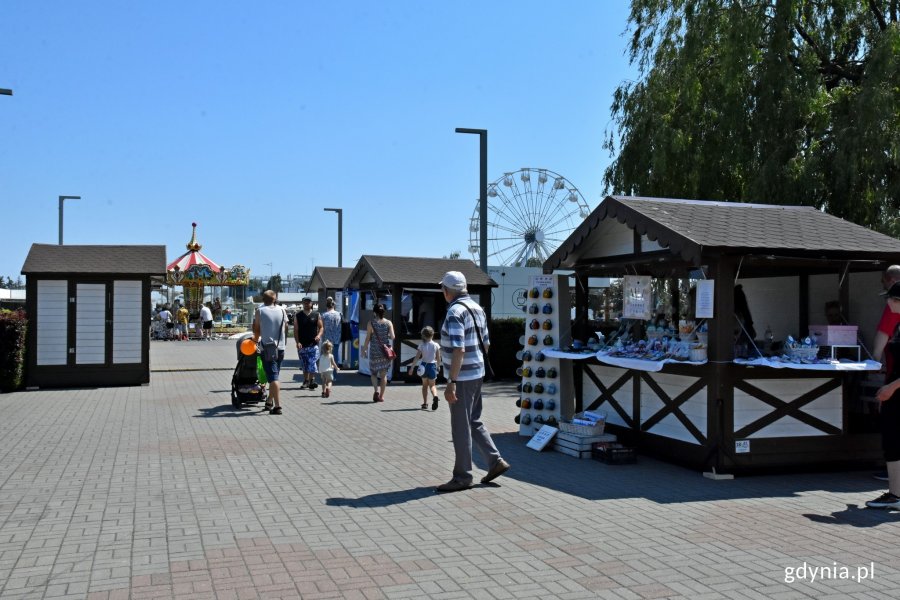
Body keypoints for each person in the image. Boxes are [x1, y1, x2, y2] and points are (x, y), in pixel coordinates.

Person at [436, 271, 510, 493]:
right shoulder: (478, 309)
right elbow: (485, 344)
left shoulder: (454, 312)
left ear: (447, 291)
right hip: (477, 372)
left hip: (462, 376)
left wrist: (451, 381)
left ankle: (462, 476)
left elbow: (459, 348)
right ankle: (495, 461)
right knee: (474, 420)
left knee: (460, 427)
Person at [866, 282, 900, 509]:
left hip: (897, 391)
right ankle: (895, 494)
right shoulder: (898, 326)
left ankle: (896, 496)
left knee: (895, 441)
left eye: (893, 299)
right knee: (893, 442)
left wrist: (892, 387)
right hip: (894, 393)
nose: (888, 302)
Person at [252, 290, 288, 415]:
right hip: (281, 347)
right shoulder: (282, 310)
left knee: (273, 378)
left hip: (267, 348)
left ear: (263, 299)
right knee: (275, 375)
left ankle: (277, 406)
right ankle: (269, 401)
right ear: (275, 298)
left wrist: (255, 342)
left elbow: (256, 330)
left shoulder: (260, 311)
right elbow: (285, 327)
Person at [362, 302, 395, 402]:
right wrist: (386, 336)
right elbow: (393, 337)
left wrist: (364, 349)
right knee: (384, 375)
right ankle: (381, 396)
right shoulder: (388, 323)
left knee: (373, 373)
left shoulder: (371, 323)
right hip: (385, 353)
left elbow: (368, 338)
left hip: (374, 351)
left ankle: (376, 390)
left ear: (374, 312)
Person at [408, 326, 442, 410]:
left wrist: (412, 367)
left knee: (424, 386)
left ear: (423, 335)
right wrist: (438, 366)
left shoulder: (422, 345)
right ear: (432, 335)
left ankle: (425, 403)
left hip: (424, 366)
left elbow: (416, 357)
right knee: (432, 385)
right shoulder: (436, 345)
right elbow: (438, 358)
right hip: (432, 366)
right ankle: (435, 396)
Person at [294, 297, 323, 390]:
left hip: (313, 344)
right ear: (302, 304)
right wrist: (297, 342)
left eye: (308, 302)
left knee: (313, 362)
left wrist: (319, 335)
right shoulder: (298, 315)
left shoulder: (316, 314)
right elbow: (296, 330)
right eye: (305, 303)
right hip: (302, 344)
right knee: (304, 364)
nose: (306, 304)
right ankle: (306, 380)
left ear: (312, 303)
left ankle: (312, 380)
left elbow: (321, 327)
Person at [320, 297, 343, 367]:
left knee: (326, 357)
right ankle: (334, 375)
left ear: (326, 305)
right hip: (336, 339)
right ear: (334, 305)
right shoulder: (339, 314)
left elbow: (321, 328)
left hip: (327, 340)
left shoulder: (323, 315)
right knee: (335, 357)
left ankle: (327, 374)